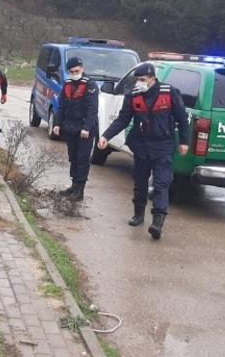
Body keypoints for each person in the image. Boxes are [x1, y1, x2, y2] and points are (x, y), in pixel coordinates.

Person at [97, 63, 189, 240]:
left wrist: (184, 142)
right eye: (137, 80)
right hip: (141, 146)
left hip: (163, 145)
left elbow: (182, 119)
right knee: (140, 182)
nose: (139, 83)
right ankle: (138, 214)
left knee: (162, 184)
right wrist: (105, 136)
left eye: (142, 80)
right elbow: (122, 120)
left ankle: (157, 222)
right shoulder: (133, 96)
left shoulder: (169, 93)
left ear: (152, 78)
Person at [52, 57, 99, 202]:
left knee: (82, 159)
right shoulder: (67, 84)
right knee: (73, 157)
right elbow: (62, 106)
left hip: (85, 129)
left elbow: (92, 109)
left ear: (82, 68)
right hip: (71, 127)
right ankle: (74, 185)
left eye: (77, 71)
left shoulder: (90, 85)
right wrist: (57, 124)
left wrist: (86, 128)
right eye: (72, 72)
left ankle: (80, 189)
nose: (74, 74)